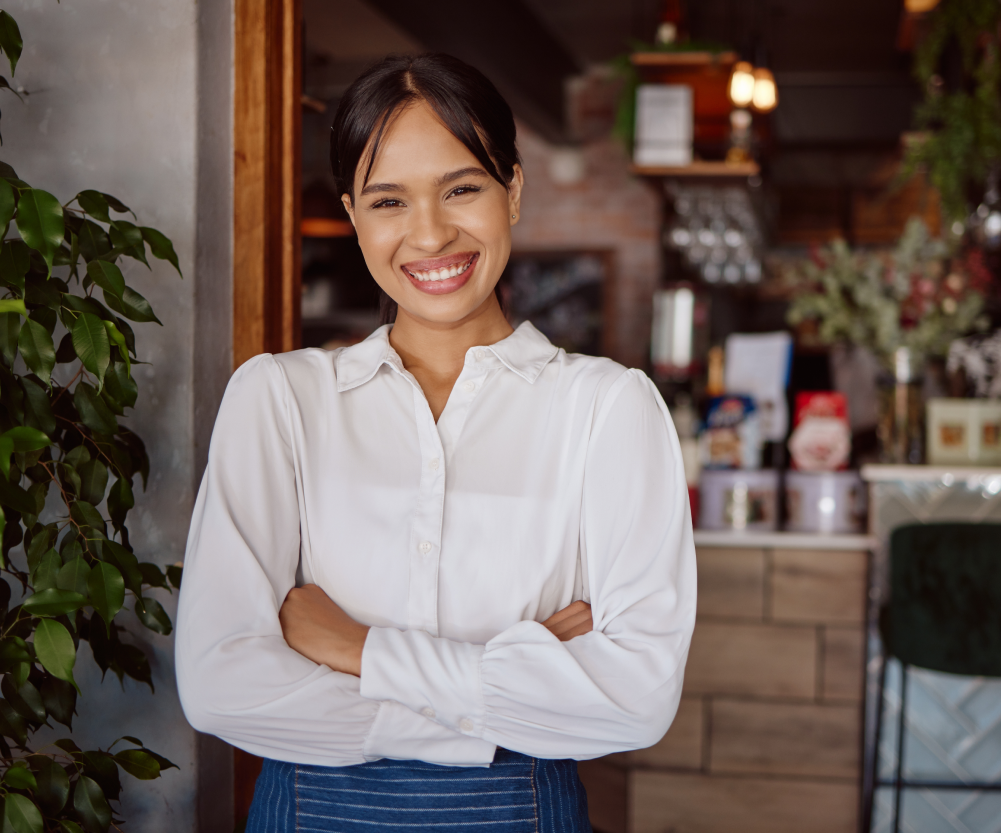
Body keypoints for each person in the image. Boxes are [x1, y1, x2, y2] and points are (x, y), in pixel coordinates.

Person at [175, 53, 696, 832]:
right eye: (389, 200)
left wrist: (357, 650)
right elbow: (220, 685)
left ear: (512, 190)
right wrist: (509, 674)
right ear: (352, 215)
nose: (430, 233)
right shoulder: (279, 400)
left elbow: (635, 701)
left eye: (462, 188)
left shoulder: (609, 410)